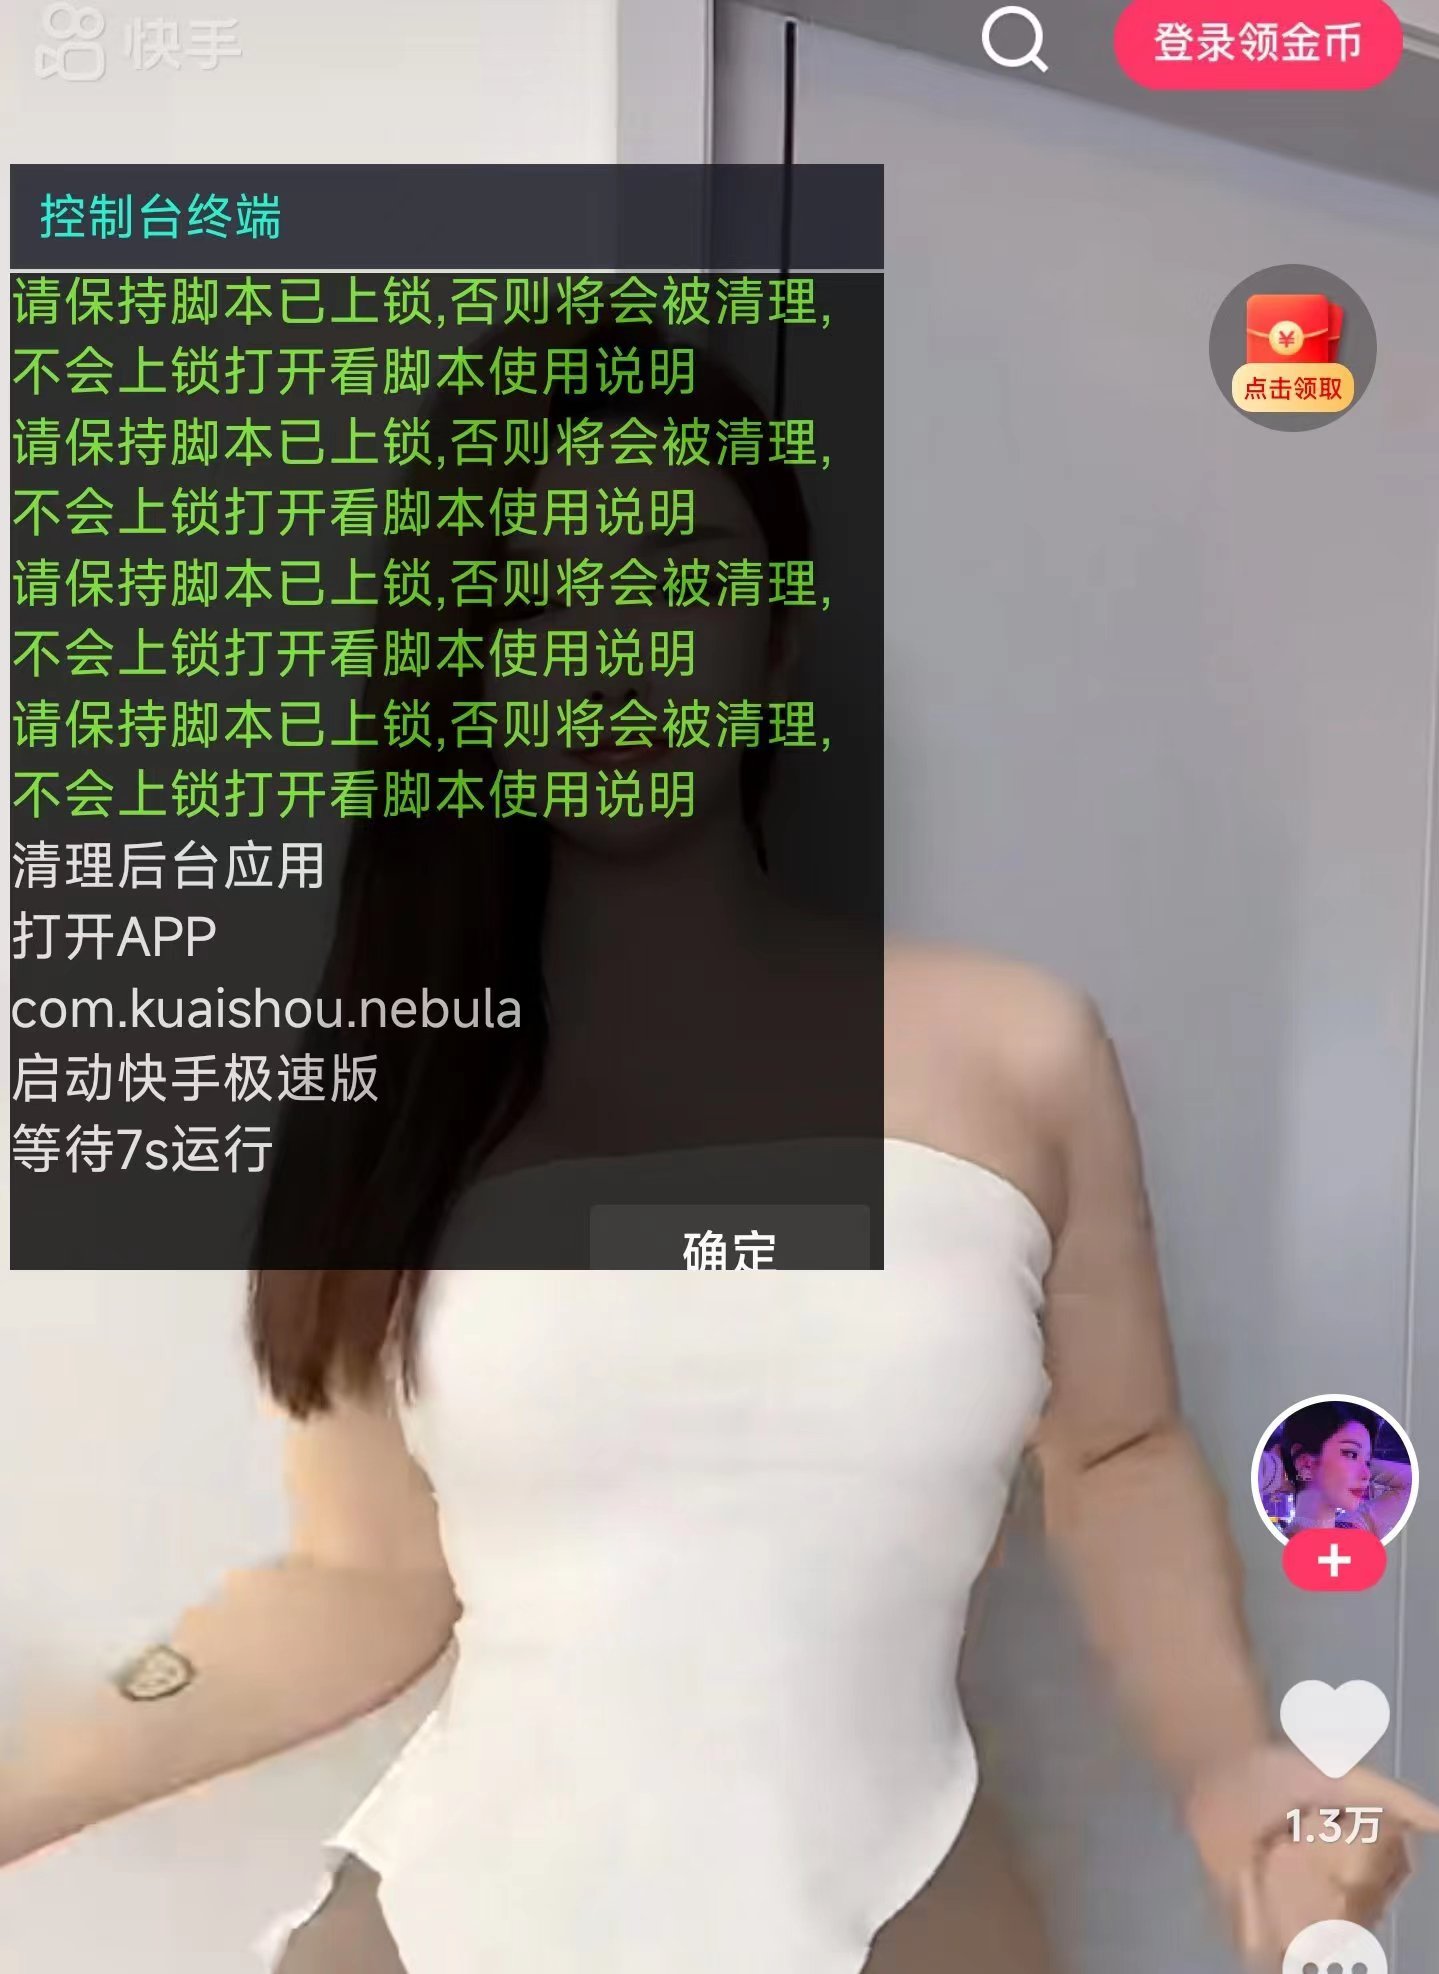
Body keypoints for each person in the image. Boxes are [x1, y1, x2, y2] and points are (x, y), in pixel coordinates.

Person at [3, 323, 1436, 1974]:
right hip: (439, 1916)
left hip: (906, 1908)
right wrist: (25, 1778)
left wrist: (1229, 1767)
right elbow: (359, 1574)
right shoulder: (397, 1094)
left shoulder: (1013, 1048)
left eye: (677, 569)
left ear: (771, 633)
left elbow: (1112, 1450)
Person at [1276, 1401, 1414, 1540]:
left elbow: (1412, 1483)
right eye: (1351, 1454)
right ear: (1306, 1464)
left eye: (1367, 1462)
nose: (1367, 1474)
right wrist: (1279, 1468)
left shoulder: (1358, 1527)